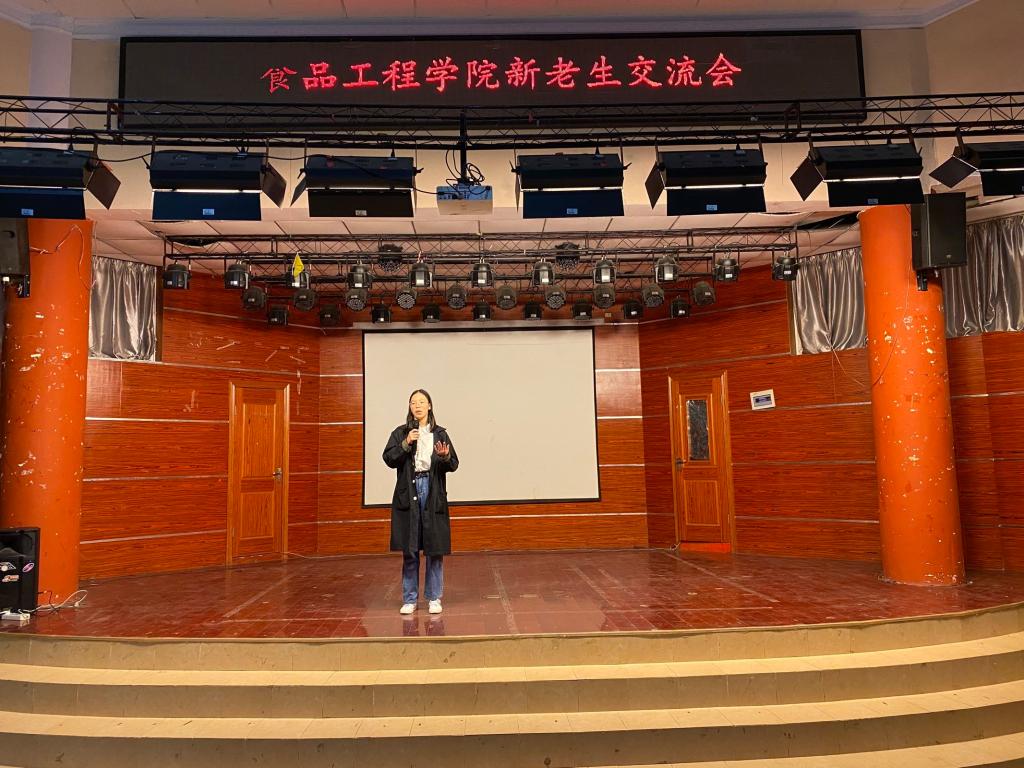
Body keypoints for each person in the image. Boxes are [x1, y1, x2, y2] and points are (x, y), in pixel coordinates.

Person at [382, 389, 458, 615]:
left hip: (432, 491)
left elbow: (453, 463)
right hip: (410, 490)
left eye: (422, 402)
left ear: (429, 406)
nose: (418, 406)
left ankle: (434, 597)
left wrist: (444, 457)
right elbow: (389, 458)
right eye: (413, 402)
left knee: (434, 547)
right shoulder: (401, 433)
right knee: (410, 548)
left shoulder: (440, 433)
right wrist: (406, 443)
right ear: (409, 407)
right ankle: (410, 598)